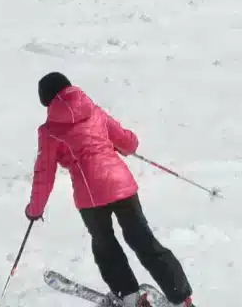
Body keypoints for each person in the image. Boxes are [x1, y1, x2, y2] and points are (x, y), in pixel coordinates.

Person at [24, 72, 193, 307]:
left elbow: (45, 175)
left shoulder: (49, 131)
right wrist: (114, 145)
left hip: (90, 197)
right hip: (122, 186)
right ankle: (182, 297)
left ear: (46, 101)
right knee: (144, 240)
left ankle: (131, 298)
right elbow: (129, 142)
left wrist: (34, 209)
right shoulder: (93, 111)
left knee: (105, 246)